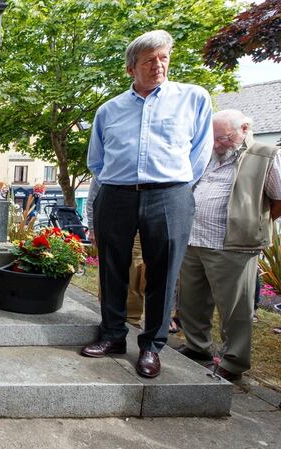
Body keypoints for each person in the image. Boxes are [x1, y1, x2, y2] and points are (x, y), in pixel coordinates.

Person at [83, 30, 213, 378]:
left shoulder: (193, 99)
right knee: (111, 268)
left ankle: (152, 346)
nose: (158, 66)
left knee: (164, 271)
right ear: (131, 69)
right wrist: (120, 181)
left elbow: (199, 153)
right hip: (117, 193)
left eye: (163, 58)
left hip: (169, 193)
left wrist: (175, 183)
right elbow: (96, 160)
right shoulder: (109, 110)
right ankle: (111, 334)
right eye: (149, 61)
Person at [176, 109, 281, 382]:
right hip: (194, 239)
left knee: (235, 309)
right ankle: (197, 346)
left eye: (224, 138)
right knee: (191, 301)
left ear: (244, 128)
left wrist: (253, 221)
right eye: (214, 139)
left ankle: (234, 362)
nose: (218, 144)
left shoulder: (265, 155)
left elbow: (279, 199)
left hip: (233, 244)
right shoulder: (207, 155)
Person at [86, 177, 146, 329]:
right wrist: (92, 228)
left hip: (141, 229)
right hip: (113, 220)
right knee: (110, 274)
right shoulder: (113, 163)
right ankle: (110, 319)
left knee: (136, 274)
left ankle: (132, 320)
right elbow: (93, 196)